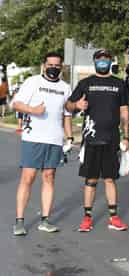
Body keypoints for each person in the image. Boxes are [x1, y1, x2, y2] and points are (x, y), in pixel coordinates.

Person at [65, 49, 129, 232]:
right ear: (94, 61)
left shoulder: (119, 84)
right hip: (91, 139)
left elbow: (124, 111)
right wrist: (76, 105)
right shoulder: (86, 83)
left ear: (111, 61)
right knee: (91, 180)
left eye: (106, 58)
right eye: (99, 58)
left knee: (110, 179)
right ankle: (87, 218)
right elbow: (68, 105)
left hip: (112, 139)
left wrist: (126, 136)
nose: (103, 61)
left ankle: (114, 218)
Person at [12, 52, 73, 236]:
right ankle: (20, 222)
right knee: (28, 178)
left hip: (54, 139)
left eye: (57, 65)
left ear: (61, 67)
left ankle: (45, 220)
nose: (53, 68)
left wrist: (69, 138)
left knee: (49, 177)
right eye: (50, 64)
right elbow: (16, 104)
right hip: (33, 138)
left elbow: (67, 115)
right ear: (44, 65)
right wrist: (33, 110)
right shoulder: (33, 82)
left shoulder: (65, 87)